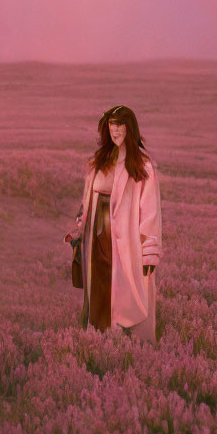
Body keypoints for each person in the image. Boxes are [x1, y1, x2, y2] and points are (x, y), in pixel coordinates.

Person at [63, 105, 162, 343]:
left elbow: (150, 213)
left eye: (120, 125)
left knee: (127, 293)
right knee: (98, 285)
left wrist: (149, 252)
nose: (115, 130)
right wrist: (80, 228)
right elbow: (87, 200)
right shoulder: (100, 161)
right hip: (95, 235)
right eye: (111, 125)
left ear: (130, 128)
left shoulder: (143, 167)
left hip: (126, 240)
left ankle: (130, 345)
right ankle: (98, 339)